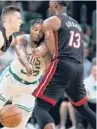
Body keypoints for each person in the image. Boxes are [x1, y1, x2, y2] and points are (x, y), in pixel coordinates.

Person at [31, 1, 96, 129]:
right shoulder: (76, 24)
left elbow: (52, 51)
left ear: (55, 5)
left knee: (40, 107)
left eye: (50, 4)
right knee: (83, 107)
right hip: (78, 67)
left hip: (62, 65)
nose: (48, 8)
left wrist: (48, 70)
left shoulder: (50, 21)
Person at [0, 19, 51, 129]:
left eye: (41, 31)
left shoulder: (49, 48)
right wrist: (27, 64)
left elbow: (49, 68)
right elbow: (20, 52)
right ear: (30, 29)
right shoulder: (22, 39)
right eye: (35, 29)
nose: (37, 33)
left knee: (19, 124)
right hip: (11, 79)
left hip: (29, 87)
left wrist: (46, 51)